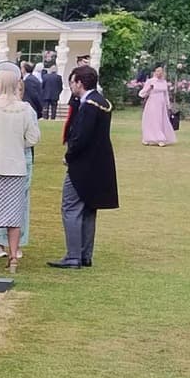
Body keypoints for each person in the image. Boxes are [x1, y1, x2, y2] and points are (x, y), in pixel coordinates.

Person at [49, 64, 117, 269]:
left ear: (79, 82)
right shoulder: (101, 102)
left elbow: (80, 137)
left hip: (83, 165)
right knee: (88, 209)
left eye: (72, 82)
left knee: (70, 207)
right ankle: (85, 254)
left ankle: (73, 256)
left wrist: (69, 156)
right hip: (99, 164)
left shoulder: (89, 106)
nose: (71, 86)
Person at [0, 62, 41, 272]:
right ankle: (13, 257)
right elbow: (33, 138)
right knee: (14, 215)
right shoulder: (25, 109)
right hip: (16, 167)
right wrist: (15, 144)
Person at [139, 64, 176, 146]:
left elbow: (166, 94)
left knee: (161, 121)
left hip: (161, 104)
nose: (160, 73)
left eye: (161, 71)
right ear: (154, 72)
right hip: (152, 103)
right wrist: (149, 89)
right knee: (153, 120)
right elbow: (141, 94)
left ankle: (161, 138)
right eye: (158, 71)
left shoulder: (164, 82)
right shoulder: (150, 81)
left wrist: (168, 105)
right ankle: (150, 138)